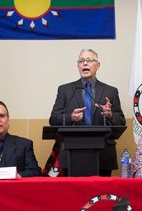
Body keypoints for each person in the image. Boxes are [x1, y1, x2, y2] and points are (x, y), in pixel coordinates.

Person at [46, 48, 126, 177]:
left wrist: (110, 114)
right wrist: (71, 117)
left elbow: (121, 121)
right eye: (81, 61)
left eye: (89, 60)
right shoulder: (65, 90)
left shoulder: (110, 91)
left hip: (103, 153)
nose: (84, 63)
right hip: (72, 152)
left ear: (98, 65)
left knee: (101, 195)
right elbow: (54, 119)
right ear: (78, 66)